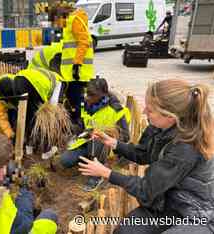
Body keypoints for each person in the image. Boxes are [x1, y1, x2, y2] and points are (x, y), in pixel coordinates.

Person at [79, 79, 214, 233]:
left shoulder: (185, 149)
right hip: (166, 199)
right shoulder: (160, 128)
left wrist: (105, 173)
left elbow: (146, 189)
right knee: (124, 231)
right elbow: (143, 154)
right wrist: (114, 143)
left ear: (170, 116)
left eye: (150, 110)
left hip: (192, 211)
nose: (144, 112)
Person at [61, 78, 130, 191]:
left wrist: (105, 135)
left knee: (98, 141)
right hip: (86, 140)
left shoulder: (115, 109)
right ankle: (90, 157)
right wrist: (69, 127)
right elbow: (81, 125)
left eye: (92, 95)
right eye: (87, 93)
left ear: (103, 94)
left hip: (104, 144)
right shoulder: (85, 104)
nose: (88, 97)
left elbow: (126, 136)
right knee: (65, 161)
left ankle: (96, 176)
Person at [0, 67, 64, 156]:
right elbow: (2, 118)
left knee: (45, 119)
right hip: (32, 86)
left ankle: (47, 147)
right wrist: (10, 135)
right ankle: (28, 143)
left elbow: (34, 113)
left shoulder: (20, 85)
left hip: (53, 84)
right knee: (24, 118)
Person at [60, 7, 94, 123]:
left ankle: (80, 126)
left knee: (76, 103)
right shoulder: (72, 20)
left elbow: (83, 42)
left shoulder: (73, 20)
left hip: (76, 72)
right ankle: (80, 124)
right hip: (74, 72)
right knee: (77, 102)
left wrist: (76, 64)